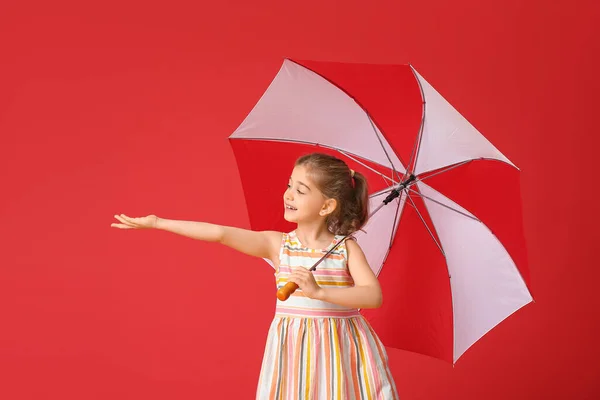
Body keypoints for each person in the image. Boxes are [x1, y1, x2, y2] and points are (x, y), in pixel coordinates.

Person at [111, 152, 399, 399]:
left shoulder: (345, 248)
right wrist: (159, 223)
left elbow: (373, 295)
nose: (288, 194)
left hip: (341, 350)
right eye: (289, 185)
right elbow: (221, 234)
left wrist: (320, 292)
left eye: (300, 190)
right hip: (295, 351)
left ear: (326, 206)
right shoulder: (278, 245)